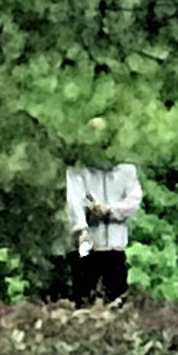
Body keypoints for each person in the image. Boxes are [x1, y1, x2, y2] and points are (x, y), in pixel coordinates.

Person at [59, 125, 142, 303]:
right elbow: (74, 202)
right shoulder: (78, 172)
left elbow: (133, 200)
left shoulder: (126, 171)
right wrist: (81, 227)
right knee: (83, 295)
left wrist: (110, 210)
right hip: (87, 245)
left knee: (117, 297)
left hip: (115, 246)